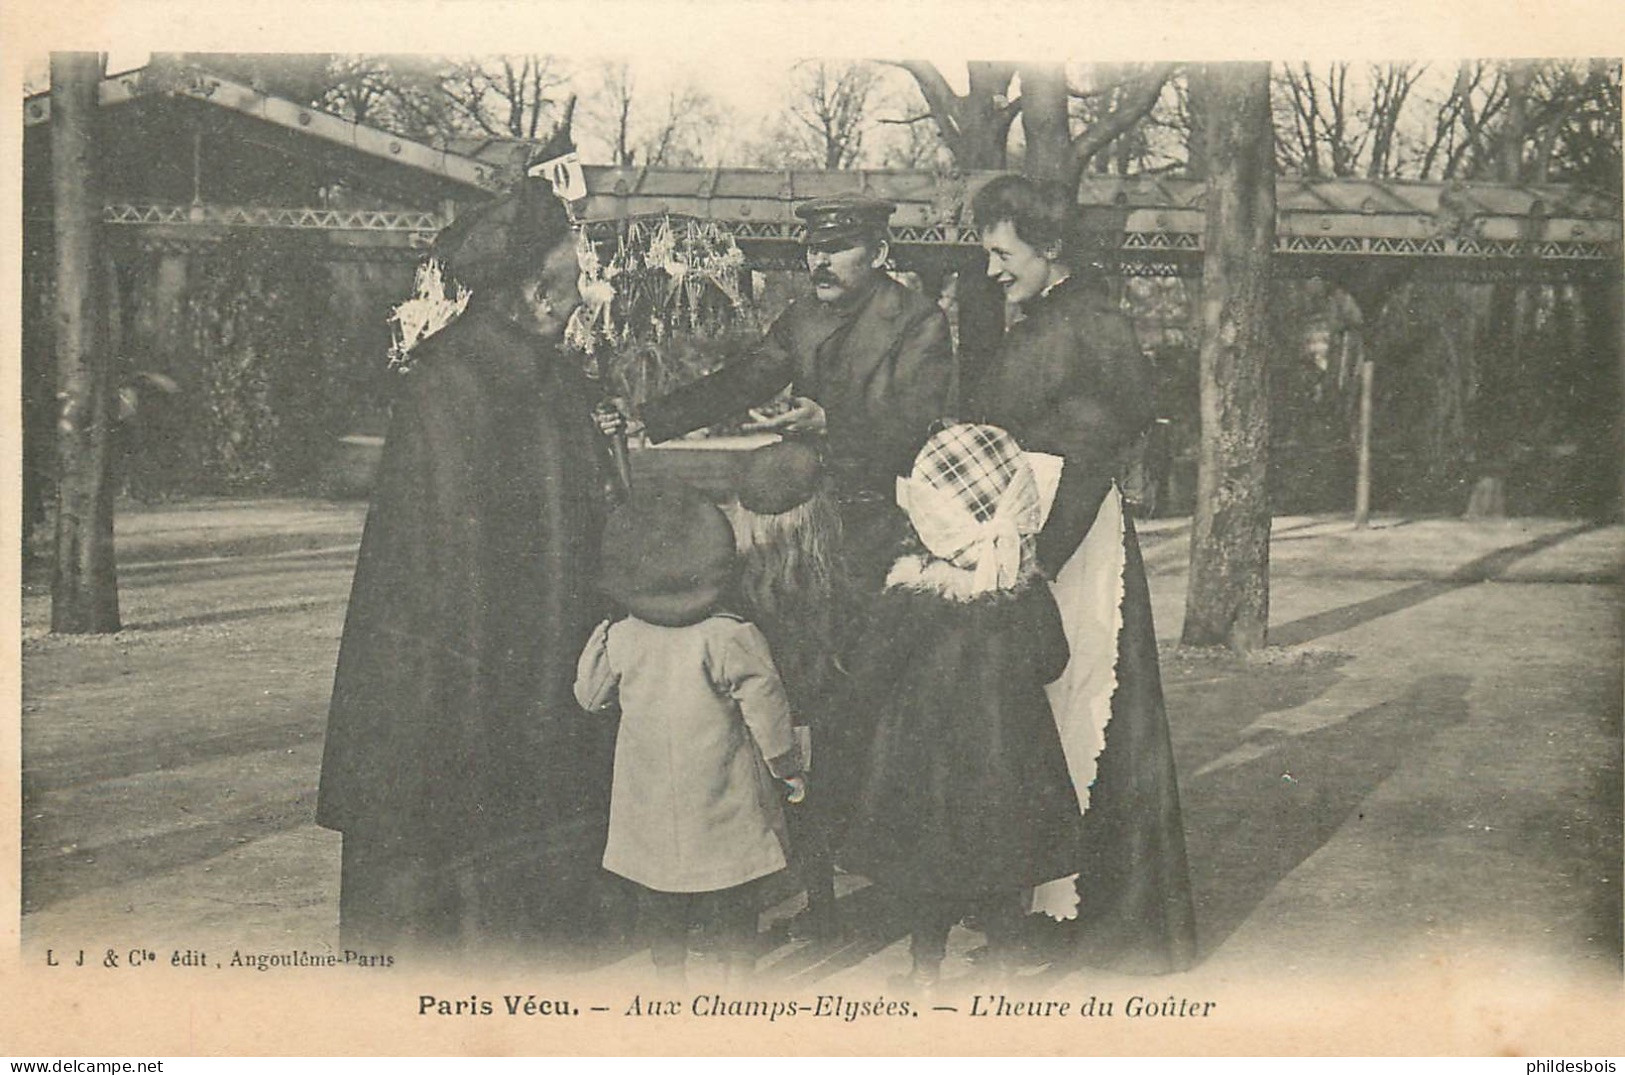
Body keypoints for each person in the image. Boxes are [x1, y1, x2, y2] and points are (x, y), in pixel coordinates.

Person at [315, 170, 616, 957]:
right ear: (533, 290)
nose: (582, 294)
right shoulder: (453, 382)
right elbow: (441, 574)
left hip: (533, 680)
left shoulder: (545, 378)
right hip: (470, 695)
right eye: (573, 276)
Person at [964, 174, 1198, 973]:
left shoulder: (1090, 324)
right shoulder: (1046, 318)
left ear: (1050, 247)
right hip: (1033, 530)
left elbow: (1095, 451)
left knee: (1086, 711)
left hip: (1073, 537)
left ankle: (1103, 925)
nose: (992, 268)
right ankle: (1044, 908)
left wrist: (1041, 557)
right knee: (1039, 715)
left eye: (1002, 252)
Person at [837, 423, 1083, 990]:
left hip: (926, 763)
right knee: (1004, 864)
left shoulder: (909, 596)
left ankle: (926, 968)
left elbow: (868, 676)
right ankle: (1000, 961)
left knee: (928, 871)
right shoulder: (1024, 593)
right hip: (1009, 755)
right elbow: (1052, 661)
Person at [633, 192, 958, 593]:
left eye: (837, 249)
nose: (820, 263)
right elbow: (746, 378)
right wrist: (649, 417)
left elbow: (917, 422)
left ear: (878, 254)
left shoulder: (920, 320)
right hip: (803, 508)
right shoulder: (803, 315)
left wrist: (830, 422)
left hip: (880, 510)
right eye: (814, 250)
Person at [575, 483, 805, 985]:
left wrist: (603, 642)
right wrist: (786, 768)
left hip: (649, 797)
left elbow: (589, 697)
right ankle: (738, 981)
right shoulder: (730, 634)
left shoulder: (624, 636)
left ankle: (669, 982)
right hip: (724, 796)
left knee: (660, 894)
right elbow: (767, 711)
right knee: (736, 890)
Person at [723, 439, 846, 944]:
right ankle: (824, 908)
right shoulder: (835, 581)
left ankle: (744, 925)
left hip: (756, 726)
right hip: (819, 721)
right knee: (814, 819)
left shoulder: (733, 583)